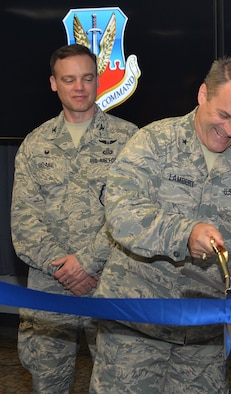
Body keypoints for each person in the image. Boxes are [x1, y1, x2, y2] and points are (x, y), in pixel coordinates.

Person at [89, 55, 231, 393]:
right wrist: (185, 233)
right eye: (223, 115)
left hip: (202, 331)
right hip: (136, 323)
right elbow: (122, 213)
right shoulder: (153, 142)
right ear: (202, 94)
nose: (229, 131)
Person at [10, 43, 138, 393]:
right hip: (50, 292)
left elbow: (135, 216)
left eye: (86, 78)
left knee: (120, 383)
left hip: (111, 283)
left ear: (98, 80)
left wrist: (87, 262)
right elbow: (24, 222)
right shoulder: (35, 145)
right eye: (69, 79)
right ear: (54, 83)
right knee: (48, 383)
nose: (79, 87)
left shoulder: (131, 140)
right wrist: (63, 268)